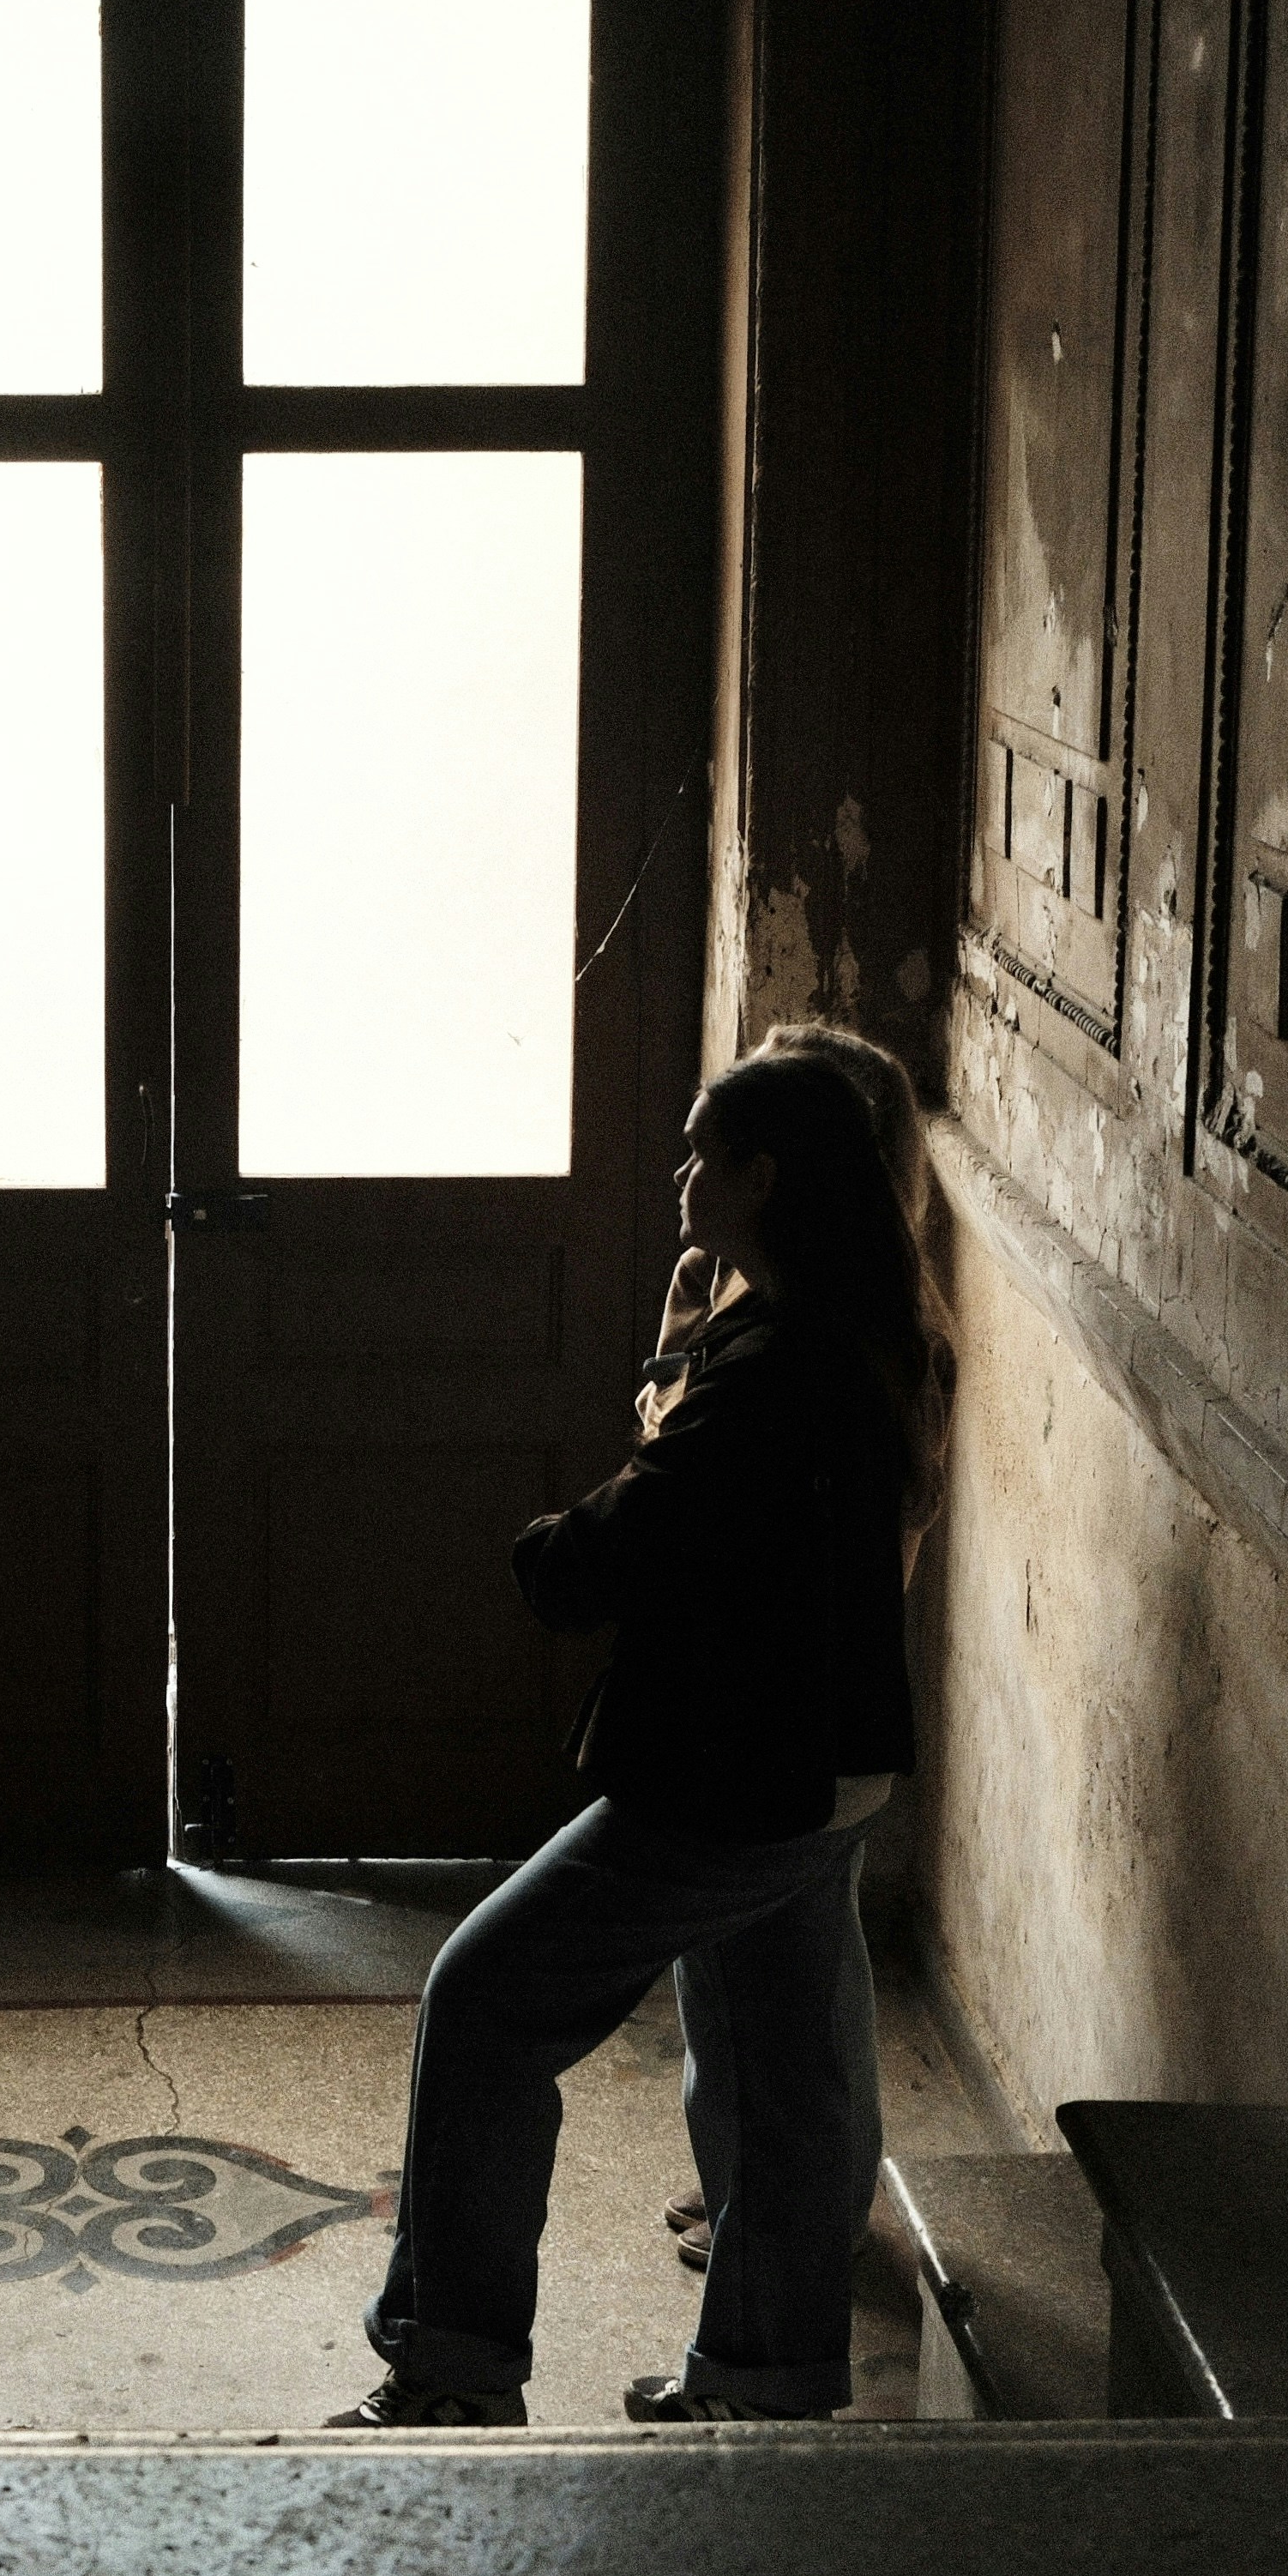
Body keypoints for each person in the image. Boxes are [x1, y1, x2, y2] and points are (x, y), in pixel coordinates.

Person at [327, 1022, 954, 2427]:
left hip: (738, 1783)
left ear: (764, 1178)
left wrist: (556, 1526)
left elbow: (590, 1564)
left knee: (483, 2006)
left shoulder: (770, 1371)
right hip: (833, 1769)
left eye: (701, 1154)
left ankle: (453, 2368)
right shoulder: (849, 1329)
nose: (680, 1174)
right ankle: (769, 2383)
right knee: (785, 2083)